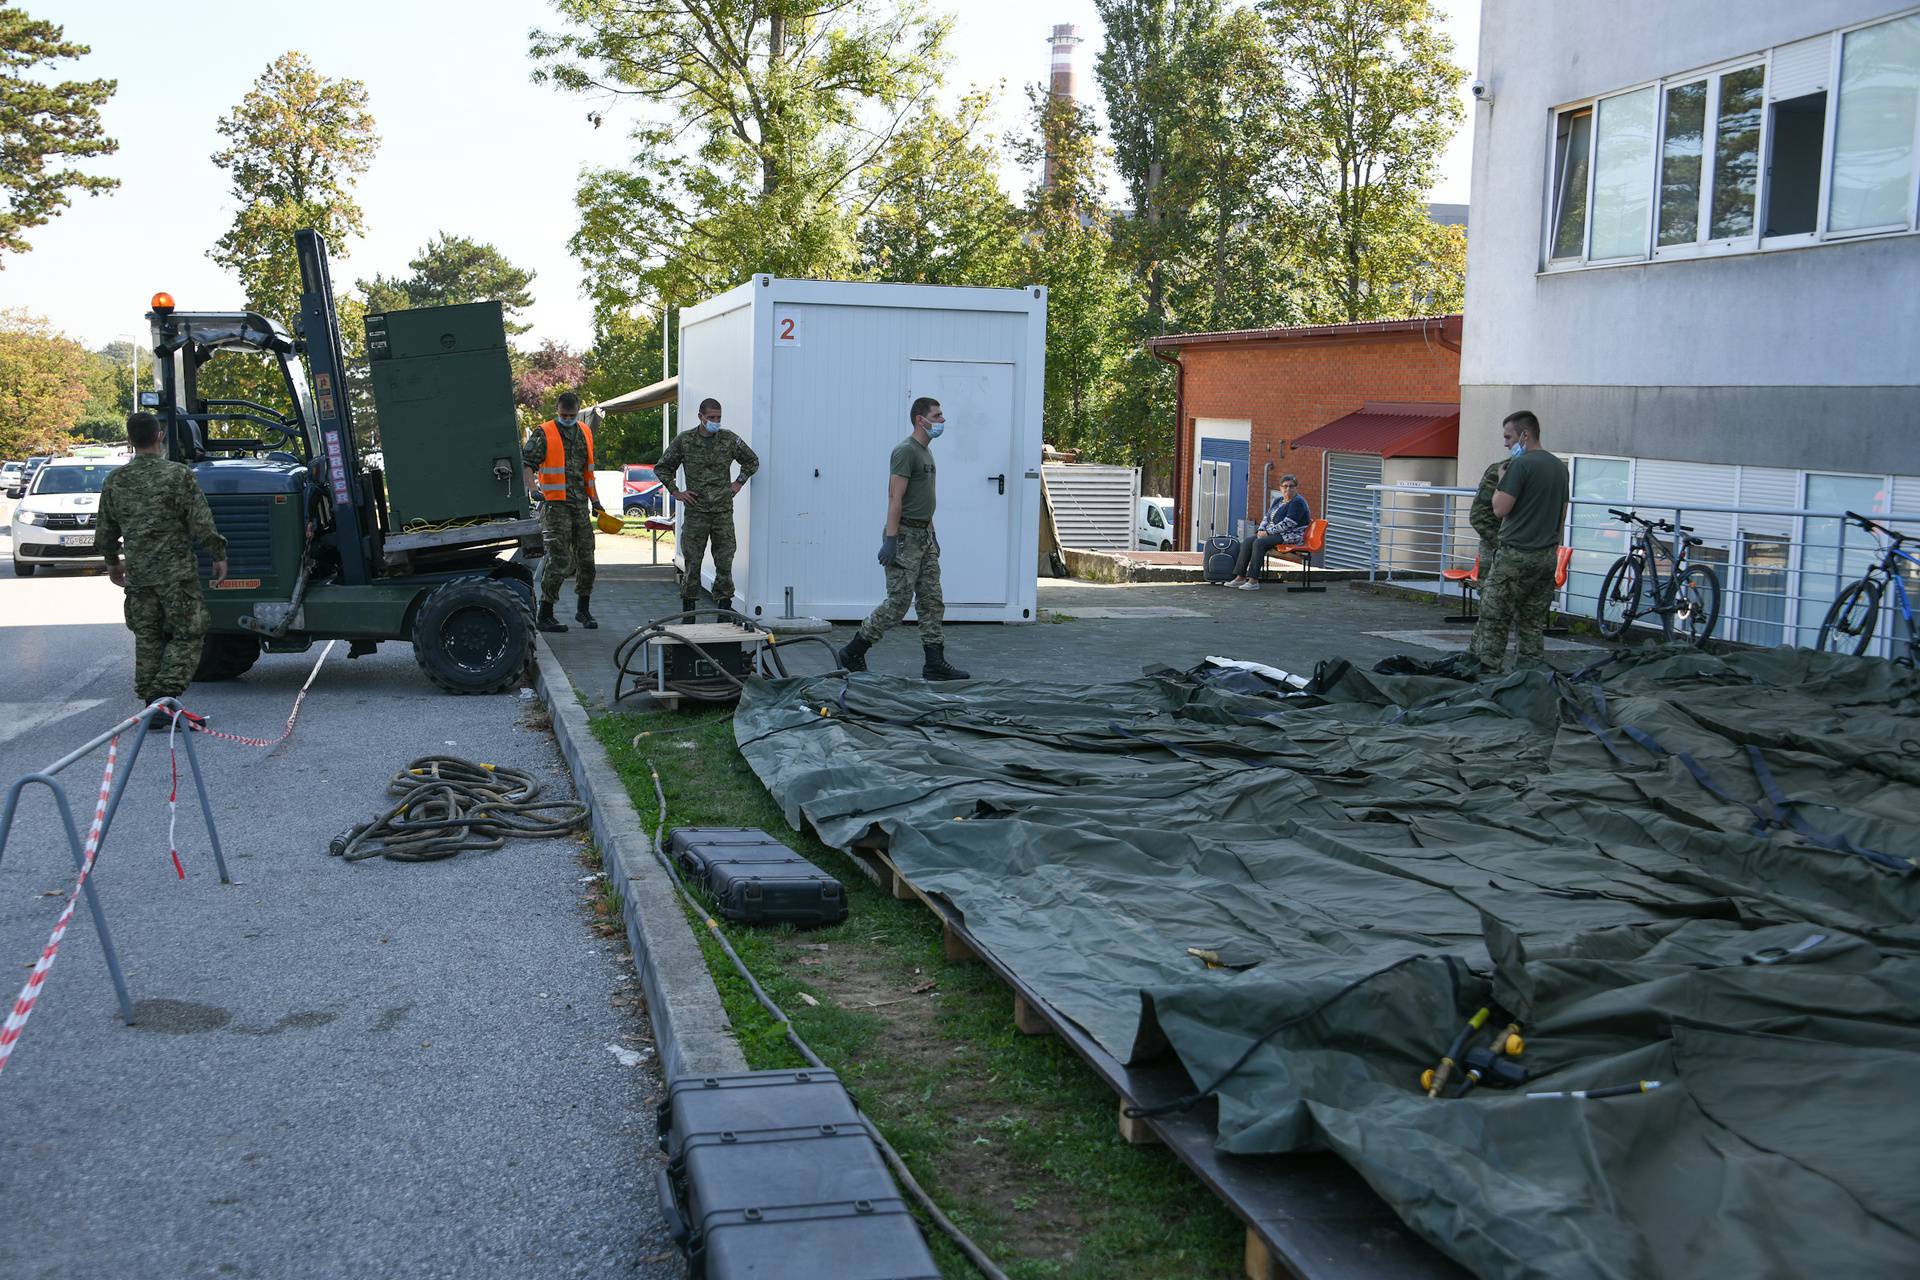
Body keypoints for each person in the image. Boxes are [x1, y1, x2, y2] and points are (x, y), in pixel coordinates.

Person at [96, 412, 228, 713]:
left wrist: (112, 562)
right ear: (160, 436)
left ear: (130, 441)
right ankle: (163, 695)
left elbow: (105, 529)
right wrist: (218, 554)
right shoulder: (177, 475)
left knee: (148, 637)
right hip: (176, 576)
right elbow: (201, 522)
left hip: (139, 575)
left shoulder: (115, 480)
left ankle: (150, 703)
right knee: (189, 632)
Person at [835, 397, 968, 681]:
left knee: (932, 600)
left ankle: (934, 663)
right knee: (898, 603)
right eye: (938, 415)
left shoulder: (926, 453)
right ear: (921, 419)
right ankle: (853, 650)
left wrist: (933, 534)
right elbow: (895, 497)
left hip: (923, 536)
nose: (943, 421)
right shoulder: (905, 451)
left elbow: (925, 500)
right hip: (904, 536)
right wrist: (892, 539)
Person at [1471, 410, 1570, 672]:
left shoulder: (1519, 465)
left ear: (1524, 435)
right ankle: (1530, 678)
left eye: (1508, 436)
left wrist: (1502, 483)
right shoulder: (1559, 468)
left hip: (1515, 556)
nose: (1505, 443)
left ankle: (1486, 676)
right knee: (1532, 623)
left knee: (1494, 618)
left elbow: (1499, 509)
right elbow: (1561, 515)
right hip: (1547, 556)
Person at [653, 397, 759, 617]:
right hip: (696, 512)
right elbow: (663, 468)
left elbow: (751, 460)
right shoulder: (685, 441)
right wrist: (676, 492)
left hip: (721, 511)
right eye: (711, 418)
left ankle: (724, 609)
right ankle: (688, 611)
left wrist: (738, 483)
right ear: (700, 416)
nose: (715, 421)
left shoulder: (728, 439)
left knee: (725, 560)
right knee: (692, 562)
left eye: (718, 417)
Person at [522, 390, 612, 632]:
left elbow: (588, 473)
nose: (568, 418)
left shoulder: (585, 432)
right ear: (557, 410)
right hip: (555, 506)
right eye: (564, 414)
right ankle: (545, 613)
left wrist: (596, 502)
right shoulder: (545, 432)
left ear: (578, 412)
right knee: (559, 560)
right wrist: (533, 490)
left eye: (572, 415)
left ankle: (583, 610)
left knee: (587, 560)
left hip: (580, 505)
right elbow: (527, 463)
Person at [1222, 475, 1310, 590]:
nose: (1288, 489)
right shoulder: (1279, 500)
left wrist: (1267, 533)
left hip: (1291, 535)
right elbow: (1267, 517)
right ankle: (1240, 577)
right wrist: (1261, 530)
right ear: (1280, 488)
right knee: (1248, 542)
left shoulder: (1298, 502)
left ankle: (1253, 581)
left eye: (1291, 486)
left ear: (1296, 488)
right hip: (1275, 533)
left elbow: (1288, 524)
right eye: (1285, 486)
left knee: (1259, 543)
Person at [1467, 455, 1507, 580]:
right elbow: (1479, 516)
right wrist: (1504, 546)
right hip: (1497, 555)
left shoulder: (1549, 469)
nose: (1506, 443)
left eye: (1508, 437)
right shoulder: (1500, 469)